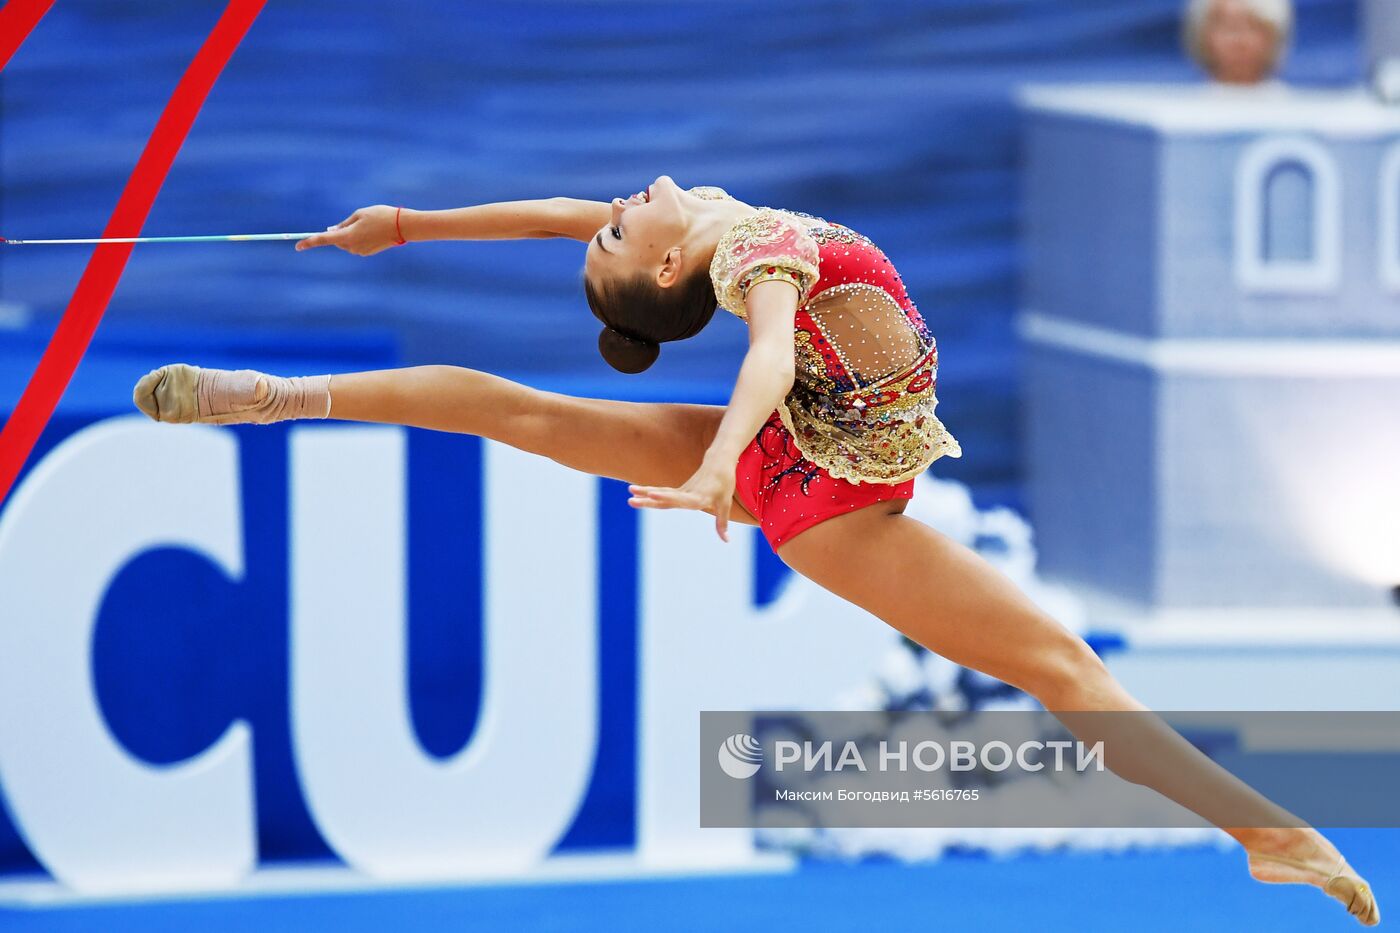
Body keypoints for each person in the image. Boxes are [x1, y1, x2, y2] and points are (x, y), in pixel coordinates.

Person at [133, 177, 1378, 925]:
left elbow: (555, 216)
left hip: (797, 445)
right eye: (618, 237)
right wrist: (725, 462)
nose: (610, 213)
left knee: (527, 416)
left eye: (611, 228)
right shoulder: (742, 252)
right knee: (1063, 671)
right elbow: (769, 352)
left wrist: (408, 225)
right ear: (673, 265)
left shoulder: (711, 220)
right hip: (815, 490)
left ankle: (1264, 833)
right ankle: (271, 396)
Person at [1183, 0, 1294, 85]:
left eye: (1252, 27)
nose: (1239, 41)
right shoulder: (1179, 108)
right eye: (1228, 28)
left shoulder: (1298, 108)